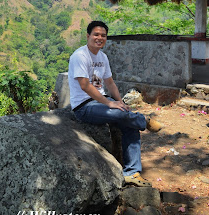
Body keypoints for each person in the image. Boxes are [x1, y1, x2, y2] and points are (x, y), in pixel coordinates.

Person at [68, 20, 161, 187]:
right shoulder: (79, 56)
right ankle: (144, 120)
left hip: (102, 101)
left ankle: (132, 172)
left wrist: (119, 101)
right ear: (88, 36)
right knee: (118, 113)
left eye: (103, 35)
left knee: (128, 122)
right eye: (96, 34)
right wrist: (110, 104)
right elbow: (85, 85)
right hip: (84, 106)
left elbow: (109, 83)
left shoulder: (102, 57)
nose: (100, 38)